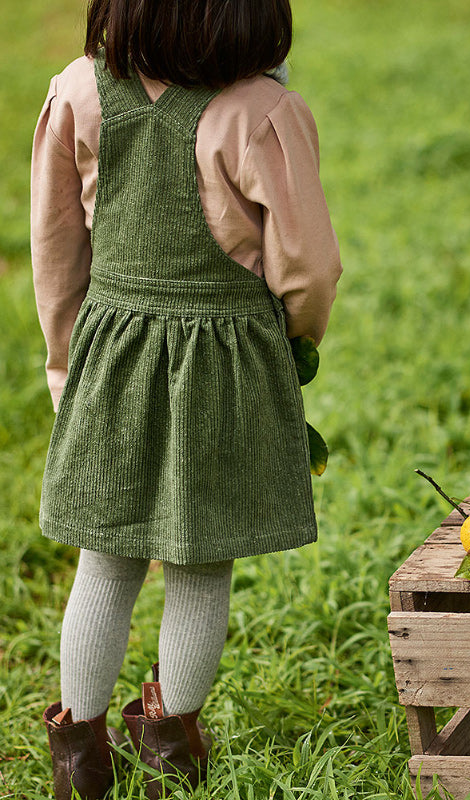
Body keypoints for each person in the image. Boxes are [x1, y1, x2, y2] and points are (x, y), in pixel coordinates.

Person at [30, 0, 342, 796]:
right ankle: (171, 749)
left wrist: (65, 364)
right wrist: (293, 340)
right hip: (224, 361)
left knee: (105, 557)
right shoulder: (264, 112)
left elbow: (56, 250)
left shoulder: (77, 91)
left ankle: (79, 762)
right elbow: (308, 267)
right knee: (202, 563)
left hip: (112, 356)